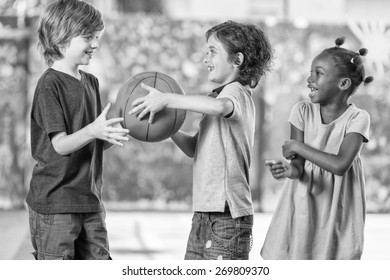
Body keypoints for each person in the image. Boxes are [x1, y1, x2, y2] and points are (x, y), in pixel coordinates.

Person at [129, 21, 273, 260]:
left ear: (238, 60)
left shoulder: (236, 91)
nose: (206, 58)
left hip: (228, 216)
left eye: (213, 51)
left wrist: (168, 99)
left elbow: (219, 107)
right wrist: (168, 126)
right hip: (205, 214)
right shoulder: (217, 96)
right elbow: (194, 148)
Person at [27, 0, 129, 260]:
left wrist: (120, 127)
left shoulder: (91, 82)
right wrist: (94, 131)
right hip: (56, 202)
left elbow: (93, 137)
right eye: (88, 37)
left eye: (97, 37)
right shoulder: (49, 84)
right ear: (61, 39)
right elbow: (60, 145)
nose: (95, 44)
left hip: (89, 199)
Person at [261, 37, 373, 260]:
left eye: (318, 73)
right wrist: (288, 171)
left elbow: (340, 165)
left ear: (343, 84)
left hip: (337, 209)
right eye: (311, 72)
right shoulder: (301, 111)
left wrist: (298, 147)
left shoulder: (358, 118)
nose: (309, 79)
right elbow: (298, 168)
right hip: (303, 203)